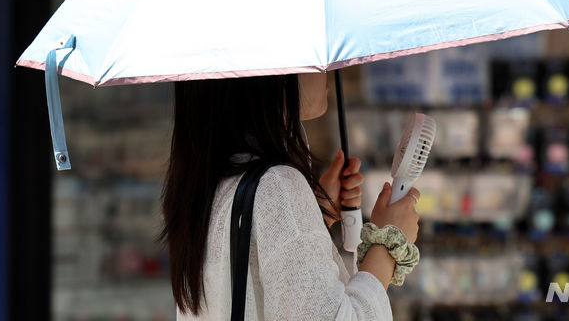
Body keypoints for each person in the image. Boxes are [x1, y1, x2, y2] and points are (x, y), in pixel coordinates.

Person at [160, 72, 421, 320]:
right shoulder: (277, 185)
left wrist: (313, 214)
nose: (325, 70)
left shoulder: (208, 183)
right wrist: (388, 241)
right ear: (273, 73)